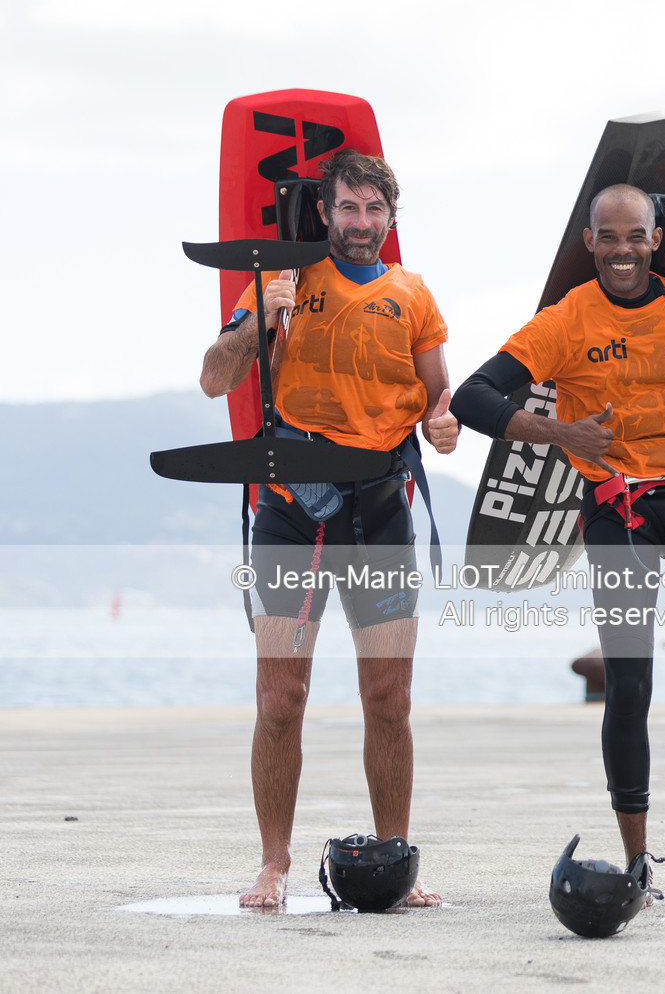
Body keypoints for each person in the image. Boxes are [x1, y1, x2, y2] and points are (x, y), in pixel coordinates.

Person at [450, 183, 665, 906]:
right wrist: (560, 433)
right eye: (608, 237)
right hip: (621, 516)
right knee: (631, 686)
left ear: (655, 239)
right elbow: (474, 397)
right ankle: (639, 867)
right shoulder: (567, 319)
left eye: (634, 237)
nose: (621, 250)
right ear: (590, 242)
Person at [199, 149, 457, 909]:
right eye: (348, 208)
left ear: (390, 218)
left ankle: (397, 860)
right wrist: (260, 319)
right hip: (291, 511)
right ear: (324, 210)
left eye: (375, 211)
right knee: (281, 698)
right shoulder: (283, 279)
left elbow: (440, 397)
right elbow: (216, 377)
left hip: (379, 511)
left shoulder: (413, 294)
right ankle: (272, 864)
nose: (361, 224)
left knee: (389, 698)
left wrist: (443, 427)